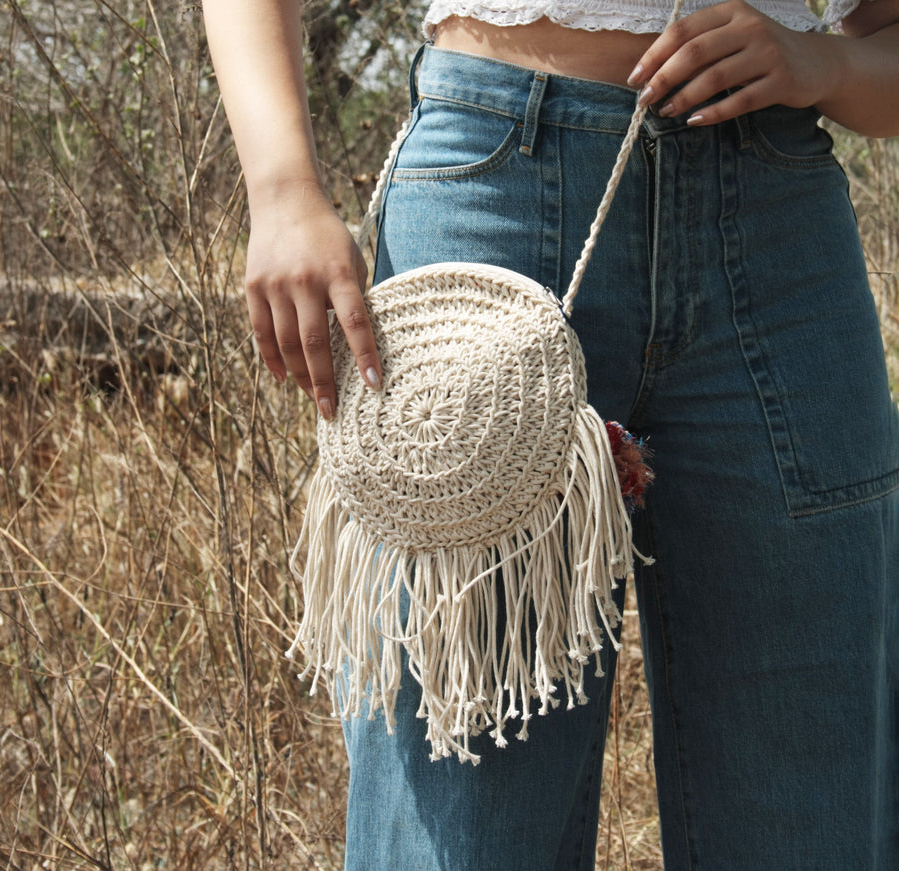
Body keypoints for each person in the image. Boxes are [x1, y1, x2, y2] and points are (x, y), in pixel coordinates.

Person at [201, 0, 899, 868]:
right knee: (461, 831)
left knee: (813, 823)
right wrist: (279, 188)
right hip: (493, 202)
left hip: (779, 231)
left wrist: (823, 65)